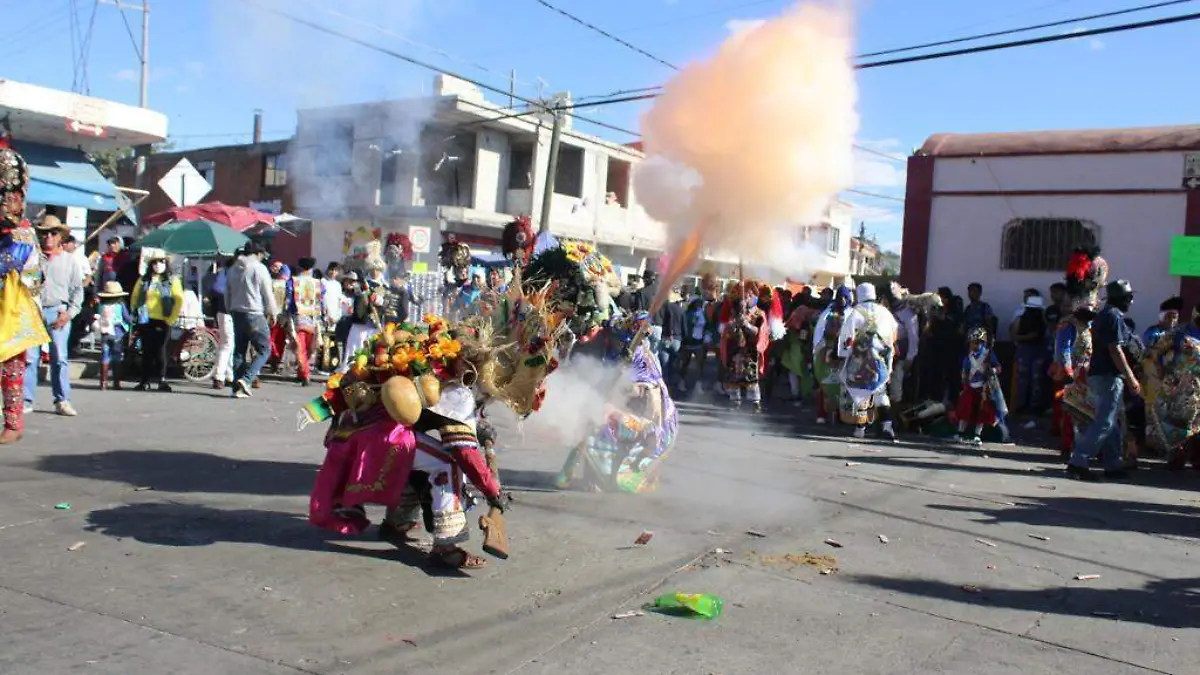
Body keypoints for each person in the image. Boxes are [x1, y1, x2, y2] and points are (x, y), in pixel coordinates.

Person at [1066, 279, 1140, 481]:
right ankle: (1078, 462)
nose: (1131, 302)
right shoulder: (1113, 316)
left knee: (1112, 422)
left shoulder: (1105, 315)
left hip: (1101, 374)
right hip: (1108, 375)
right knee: (1104, 422)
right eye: (1128, 298)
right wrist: (1130, 376)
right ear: (1120, 299)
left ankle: (1113, 463)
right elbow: (1115, 350)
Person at [0, 145, 49, 444]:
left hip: (12, 308)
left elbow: (35, 277)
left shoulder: (24, 233)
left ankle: (13, 423)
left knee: (11, 367)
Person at [25, 216, 84, 416]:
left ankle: (62, 400)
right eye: (44, 233)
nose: (48, 237)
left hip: (58, 311)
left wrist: (69, 313)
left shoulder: (70, 261)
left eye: (53, 233)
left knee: (59, 358)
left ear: (60, 236)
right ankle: (25, 400)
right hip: (33, 311)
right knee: (30, 359)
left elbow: (78, 291)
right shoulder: (32, 258)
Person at [837, 282, 899, 441]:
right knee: (880, 390)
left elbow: (847, 336)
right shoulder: (885, 311)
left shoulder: (856, 311)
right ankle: (887, 426)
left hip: (861, 357)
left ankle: (860, 428)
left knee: (860, 391)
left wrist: (843, 354)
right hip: (881, 357)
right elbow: (895, 331)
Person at [225, 242, 277, 399]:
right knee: (264, 349)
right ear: (259, 253)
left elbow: (227, 292)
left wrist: (230, 308)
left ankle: (237, 386)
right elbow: (267, 292)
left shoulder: (233, 268)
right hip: (254, 313)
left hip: (236, 312)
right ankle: (246, 379)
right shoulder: (259, 268)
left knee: (239, 351)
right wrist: (273, 312)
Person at [129, 255, 184, 392]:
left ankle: (161, 380)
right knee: (147, 351)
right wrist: (135, 313)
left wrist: (171, 319)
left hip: (163, 319)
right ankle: (145, 380)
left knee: (160, 351)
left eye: (161, 261)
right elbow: (135, 297)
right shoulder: (144, 280)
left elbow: (178, 300)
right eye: (155, 262)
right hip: (145, 319)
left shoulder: (172, 280)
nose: (158, 264)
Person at [814, 285, 853, 425]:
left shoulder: (851, 313)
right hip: (829, 353)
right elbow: (819, 332)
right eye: (840, 297)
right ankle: (823, 413)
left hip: (844, 355)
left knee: (843, 385)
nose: (842, 300)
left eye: (844, 297)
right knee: (826, 384)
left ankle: (841, 414)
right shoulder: (828, 312)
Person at [955, 328, 1002, 445]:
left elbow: (998, 367)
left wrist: (993, 371)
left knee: (982, 412)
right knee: (965, 408)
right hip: (971, 386)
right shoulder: (969, 356)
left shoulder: (988, 354)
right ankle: (960, 433)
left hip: (984, 388)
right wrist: (964, 382)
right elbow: (965, 371)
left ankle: (977, 435)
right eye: (972, 343)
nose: (974, 345)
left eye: (976, 342)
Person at [289, 257, 324, 386]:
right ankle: (302, 371)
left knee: (300, 347)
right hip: (313, 318)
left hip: (298, 316)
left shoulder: (294, 281)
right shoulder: (318, 283)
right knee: (309, 348)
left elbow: (289, 298)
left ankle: (304, 373)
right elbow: (322, 299)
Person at [92, 281, 131, 390]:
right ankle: (116, 382)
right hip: (117, 333)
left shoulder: (101, 305)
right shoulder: (120, 305)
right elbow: (127, 318)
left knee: (105, 356)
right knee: (117, 357)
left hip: (105, 333)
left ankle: (103, 382)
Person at [1012, 294, 1048, 415]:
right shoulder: (1024, 319)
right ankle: (1026, 405)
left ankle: (1030, 405)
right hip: (1029, 350)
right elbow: (1016, 335)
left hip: (1033, 350)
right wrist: (1027, 337)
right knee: (1028, 379)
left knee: (1032, 378)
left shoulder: (1038, 320)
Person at [209, 258, 235, 390]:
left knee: (230, 344)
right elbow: (218, 289)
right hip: (227, 312)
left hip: (224, 311)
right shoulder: (228, 273)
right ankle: (219, 376)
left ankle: (229, 375)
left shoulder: (224, 273)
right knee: (227, 344)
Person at [656, 287, 684, 386]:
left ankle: (664, 383)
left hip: (665, 337)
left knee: (664, 363)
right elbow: (683, 326)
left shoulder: (664, 308)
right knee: (674, 362)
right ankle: (674, 382)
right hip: (677, 339)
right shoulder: (681, 310)